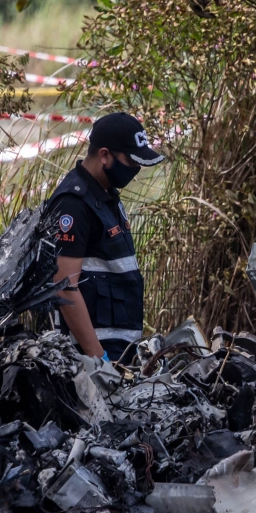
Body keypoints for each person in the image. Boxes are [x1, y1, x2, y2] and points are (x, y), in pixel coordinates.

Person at [46, 112, 165, 361]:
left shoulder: (106, 194)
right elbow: (64, 288)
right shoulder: (73, 204)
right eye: (130, 161)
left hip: (119, 352)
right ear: (104, 155)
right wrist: (99, 358)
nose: (135, 170)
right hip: (89, 360)